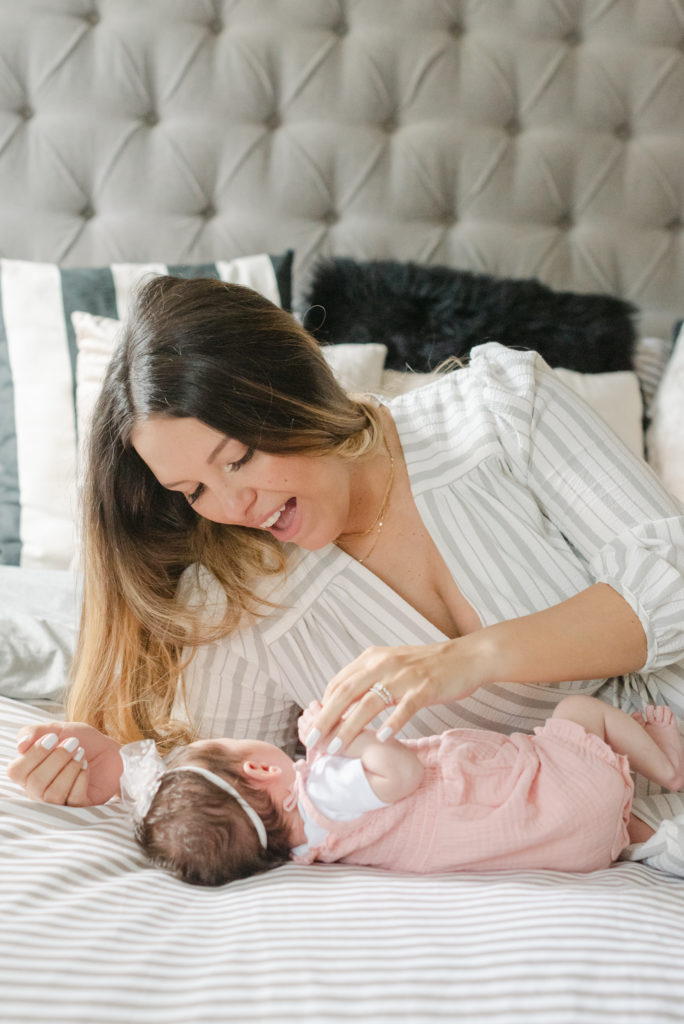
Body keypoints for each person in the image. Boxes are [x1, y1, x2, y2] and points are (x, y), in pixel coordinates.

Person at [8, 274, 684, 848]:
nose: (235, 504)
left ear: (297, 383)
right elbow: (233, 786)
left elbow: (671, 570)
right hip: (622, 841)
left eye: (238, 458)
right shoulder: (241, 602)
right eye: (195, 491)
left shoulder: (502, 410)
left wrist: (466, 660)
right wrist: (113, 772)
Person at [9, 697, 684, 885]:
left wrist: (131, 780)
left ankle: (649, 843)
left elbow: (190, 808)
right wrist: (346, 734)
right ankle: (665, 767)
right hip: (552, 799)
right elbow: (404, 775)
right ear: (265, 771)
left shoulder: (308, 851)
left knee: (595, 819)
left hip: (570, 849)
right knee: (577, 713)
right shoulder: (326, 787)